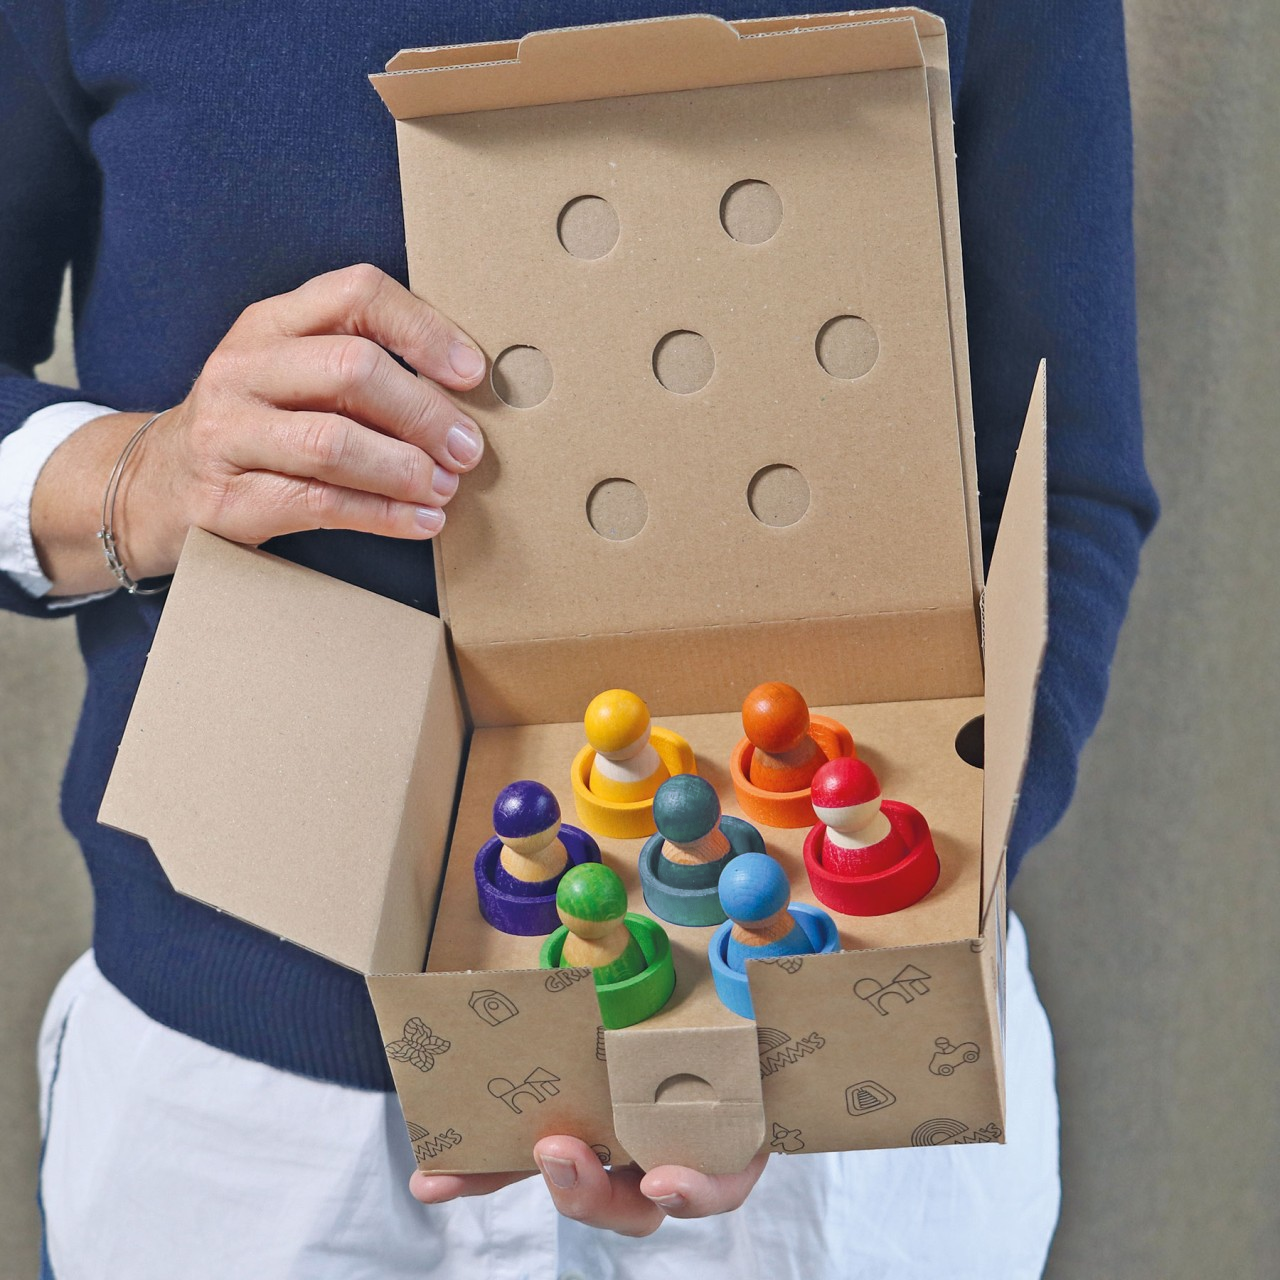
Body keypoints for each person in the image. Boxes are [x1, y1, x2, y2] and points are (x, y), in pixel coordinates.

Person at [0, 1, 1157, 1276]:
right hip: (245, 1126)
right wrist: (133, 476)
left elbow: (1061, 488)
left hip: (829, 1137)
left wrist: (856, 1012)